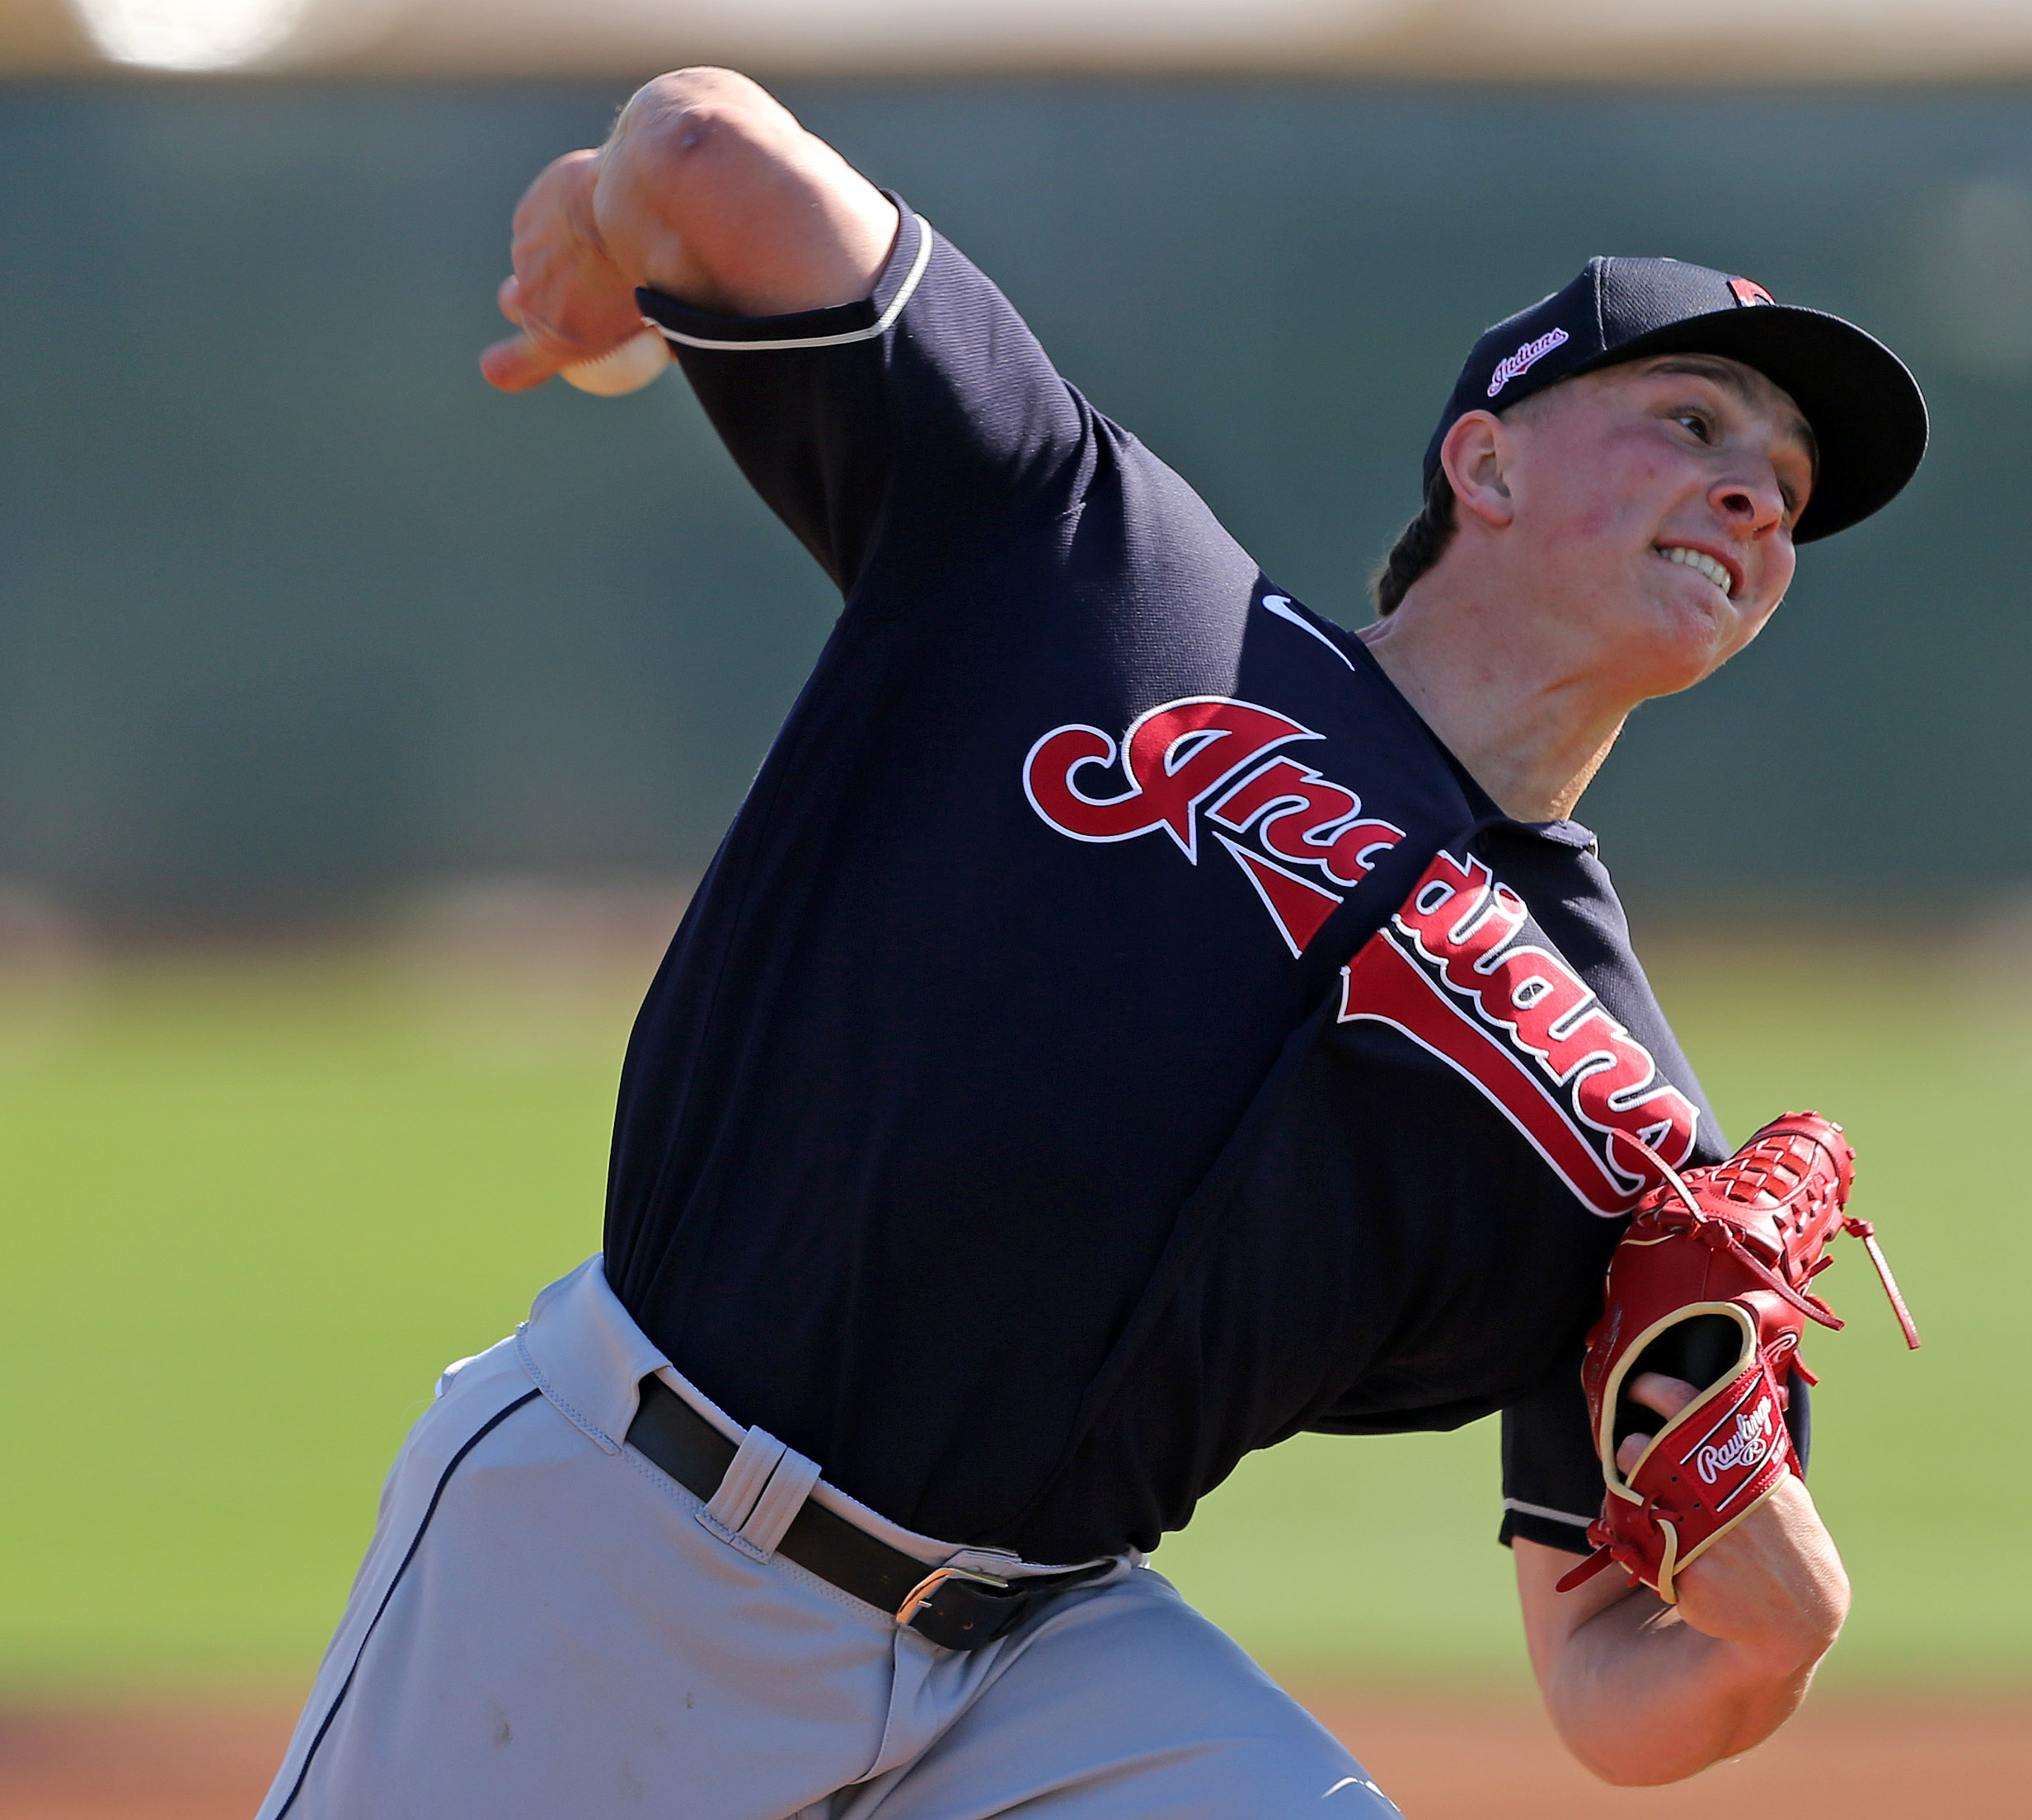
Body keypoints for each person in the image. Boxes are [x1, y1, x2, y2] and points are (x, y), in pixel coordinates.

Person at [257, 66, 1926, 1818]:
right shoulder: (1097, 568)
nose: (1757, 495)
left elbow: (1605, 1692)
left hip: (1036, 1667)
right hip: (624, 1541)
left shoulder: (1629, 1119)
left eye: (1791, 486)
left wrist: (1765, 1642)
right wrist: (612, 217)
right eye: (1693, 421)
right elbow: (701, 150)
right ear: (1484, 462)